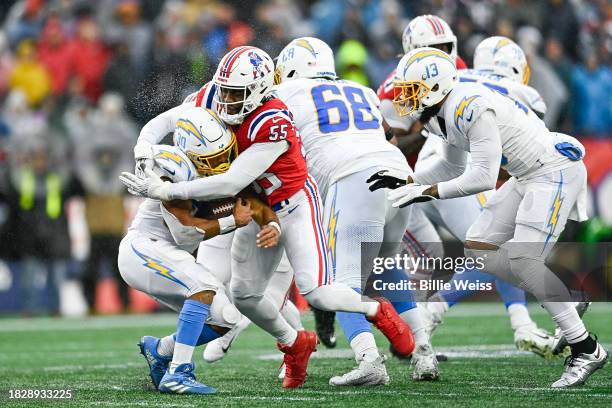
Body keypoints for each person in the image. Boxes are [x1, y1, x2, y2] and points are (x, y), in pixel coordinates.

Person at [120, 46, 413, 389]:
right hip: (258, 206)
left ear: (259, 90)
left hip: (294, 205)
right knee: (244, 296)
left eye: (235, 93)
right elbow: (170, 119)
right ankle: (294, 346)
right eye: (223, 89)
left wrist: (167, 191)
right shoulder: (215, 95)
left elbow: (233, 179)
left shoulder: (271, 118)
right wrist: (143, 149)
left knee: (316, 291)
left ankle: (377, 311)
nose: (225, 99)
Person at [369, 47, 607, 388]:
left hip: (553, 171)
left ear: (435, 86)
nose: (406, 97)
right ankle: (561, 295)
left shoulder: (469, 106)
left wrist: (427, 192)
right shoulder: (440, 112)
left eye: (412, 89)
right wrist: (409, 180)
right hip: (526, 176)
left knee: (525, 260)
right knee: (479, 249)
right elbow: (452, 166)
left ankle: (586, 349)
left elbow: (481, 176)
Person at [274, 37, 434, 383]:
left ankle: (370, 362)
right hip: (397, 171)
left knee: (338, 282)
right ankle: (423, 351)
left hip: (354, 177)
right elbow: (389, 135)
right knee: (383, 264)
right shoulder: (360, 90)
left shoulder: (286, 95)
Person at [119, 109, 281, 394]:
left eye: (224, 155)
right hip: (143, 248)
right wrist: (233, 221)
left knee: (225, 319)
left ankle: (160, 350)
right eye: (211, 160)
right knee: (203, 285)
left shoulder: (227, 174)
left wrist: (271, 225)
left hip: (166, 251)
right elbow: (184, 231)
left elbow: (256, 206)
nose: (221, 165)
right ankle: (178, 373)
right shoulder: (172, 169)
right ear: (191, 155)